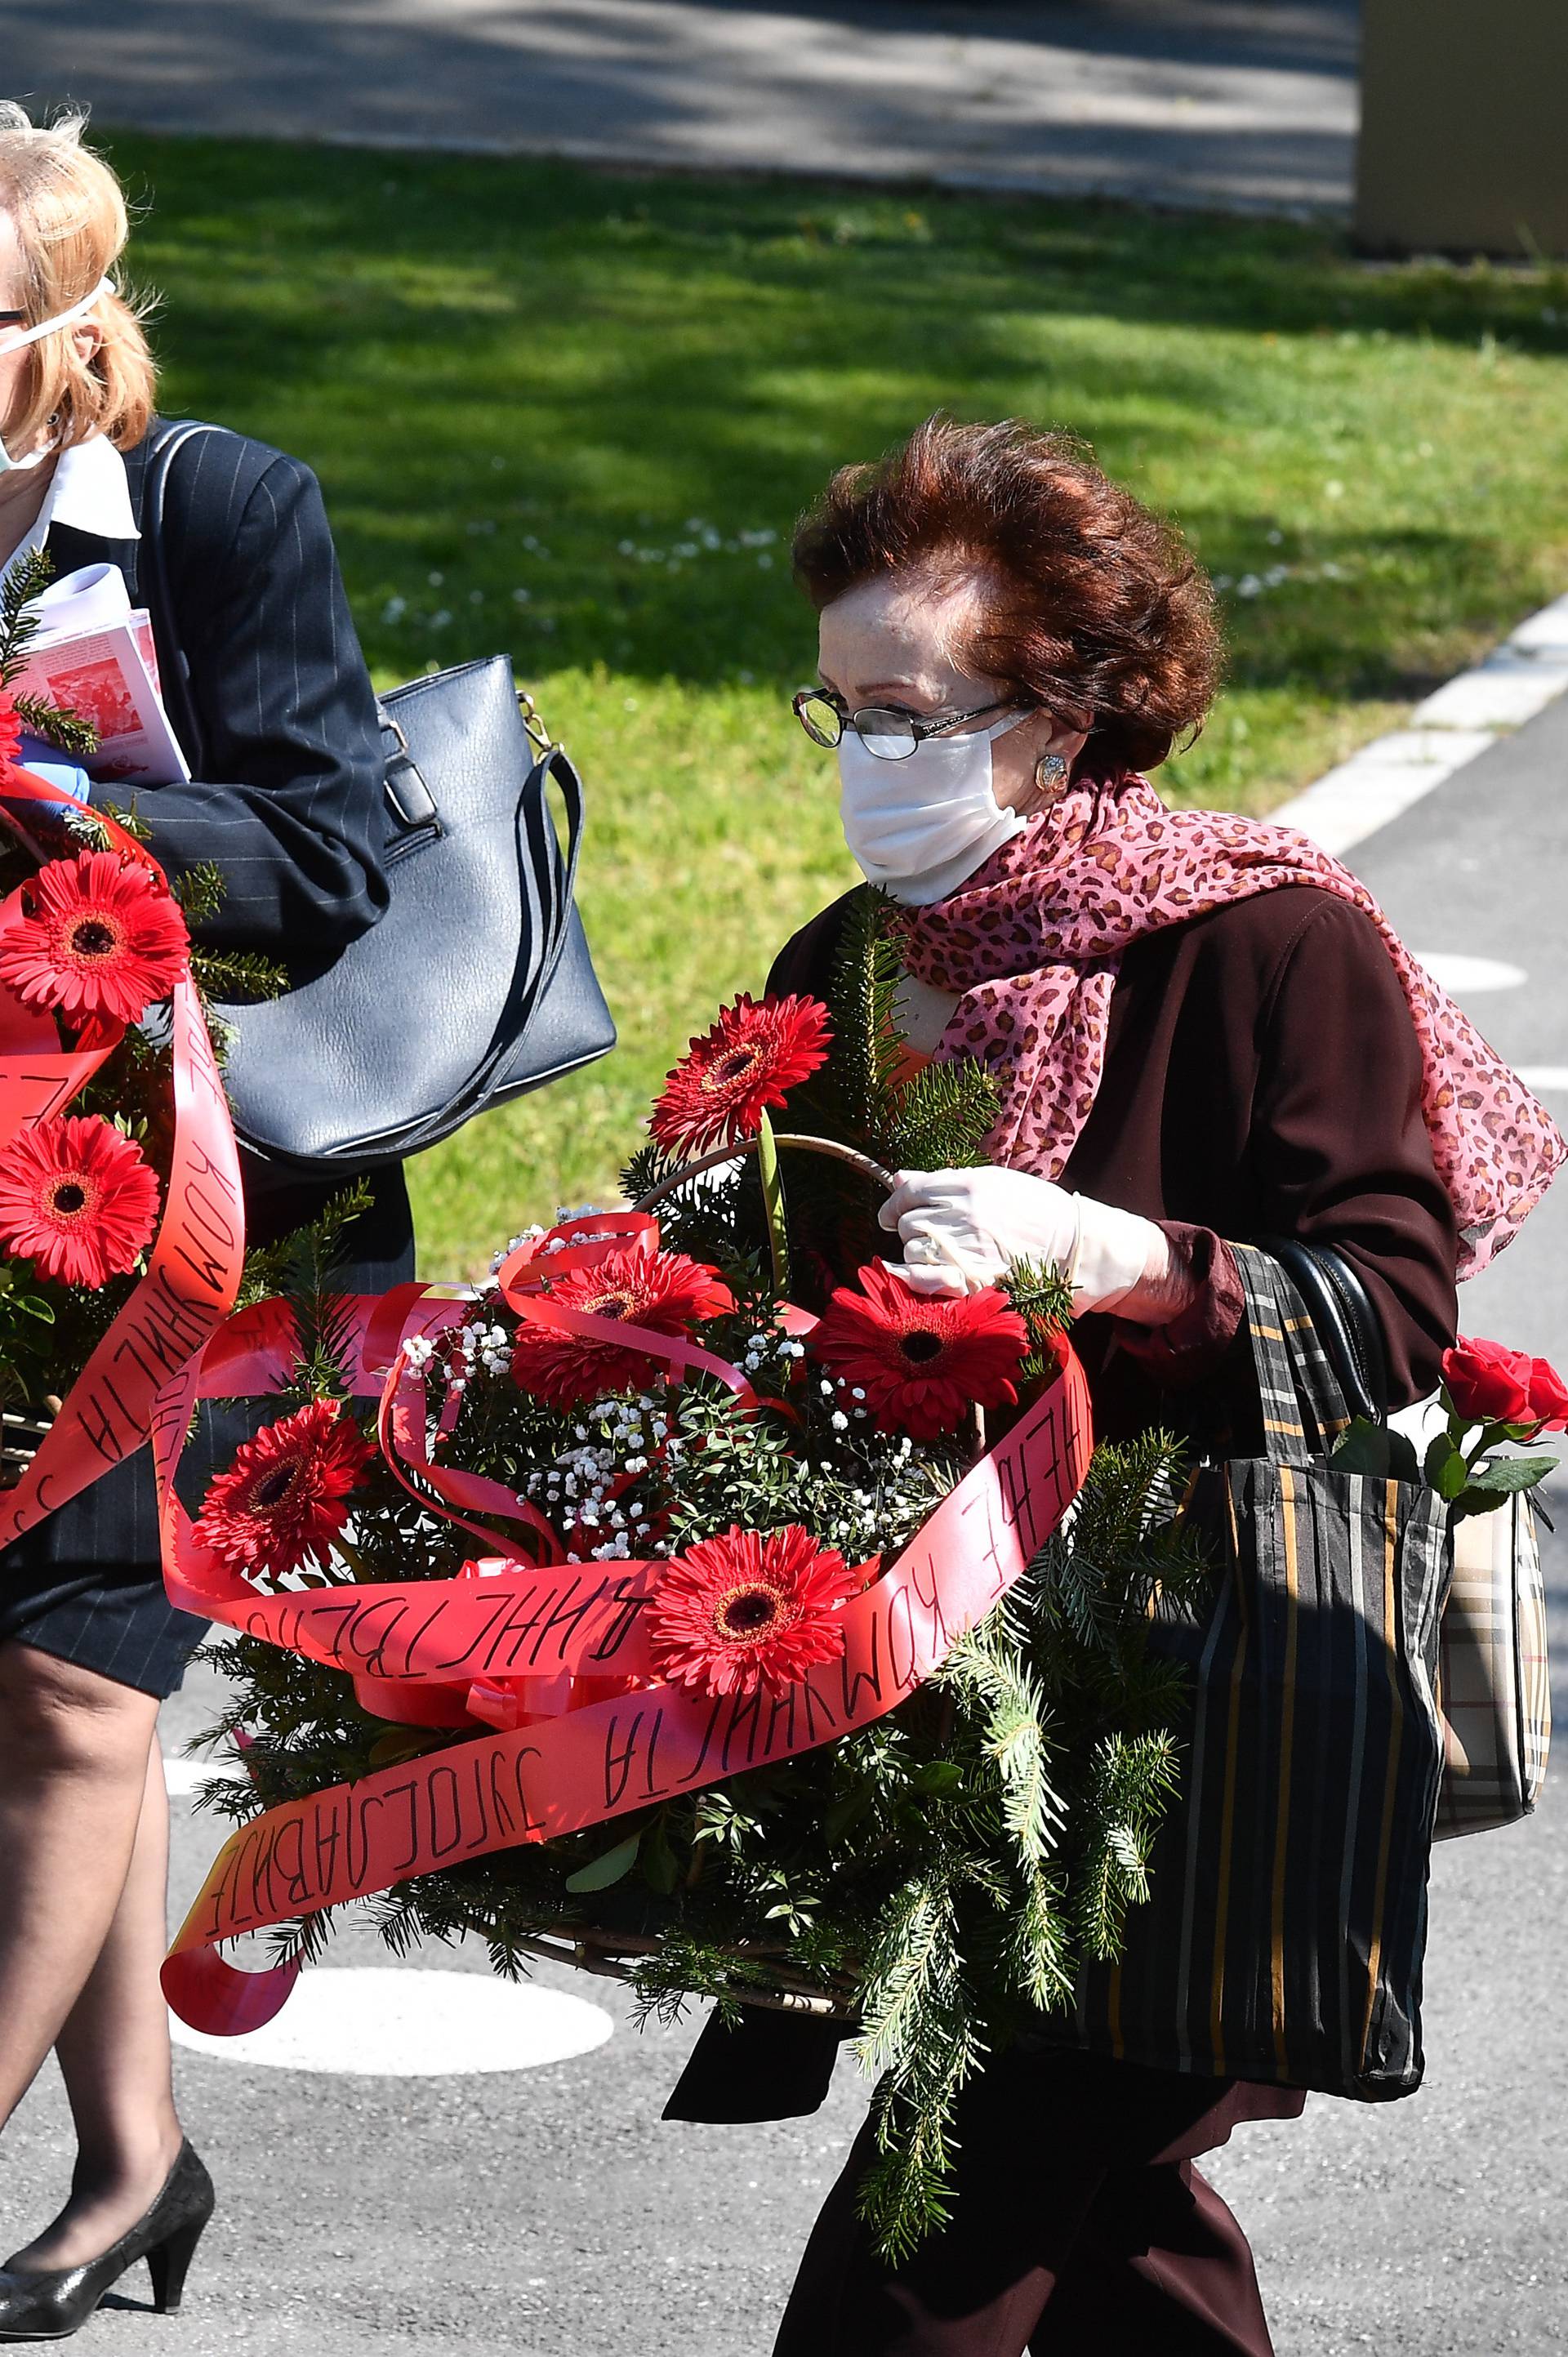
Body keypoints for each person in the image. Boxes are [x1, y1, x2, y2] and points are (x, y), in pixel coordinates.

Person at [664, 414, 1564, 2354]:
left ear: (1062, 722)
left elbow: (1389, 1299)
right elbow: (760, 1271)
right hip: (937, 1697)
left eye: (911, 714)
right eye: (843, 718)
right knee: (1123, 2252)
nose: (870, 767)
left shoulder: (1265, 940)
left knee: (933, 2247)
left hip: (1186, 1715)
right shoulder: (855, 953)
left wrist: (1118, 1258)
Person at [0, 105, 413, 2337]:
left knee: (76, 1669)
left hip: (181, 1197)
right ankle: (134, 2161)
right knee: (54, 1696)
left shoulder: (216, 510)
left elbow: (328, 853)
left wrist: (60, 796)